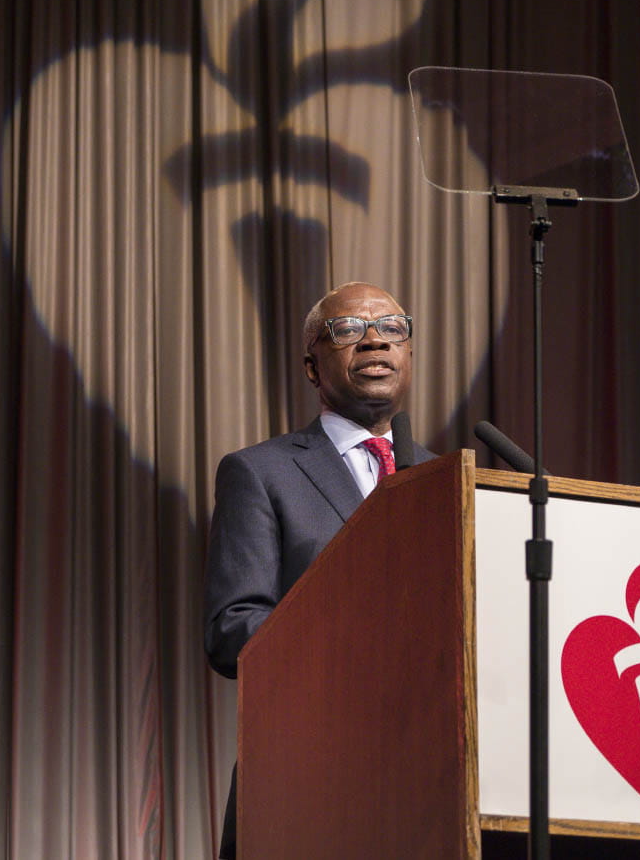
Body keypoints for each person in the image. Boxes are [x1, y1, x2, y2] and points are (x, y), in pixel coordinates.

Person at [203, 281, 436, 859]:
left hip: (432, 780)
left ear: (408, 352)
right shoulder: (261, 472)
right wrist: (352, 639)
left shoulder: (446, 479)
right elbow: (233, 631)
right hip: (309, 776)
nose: (374, 342)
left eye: (391, 328)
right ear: (312, 366)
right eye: (348, 331)